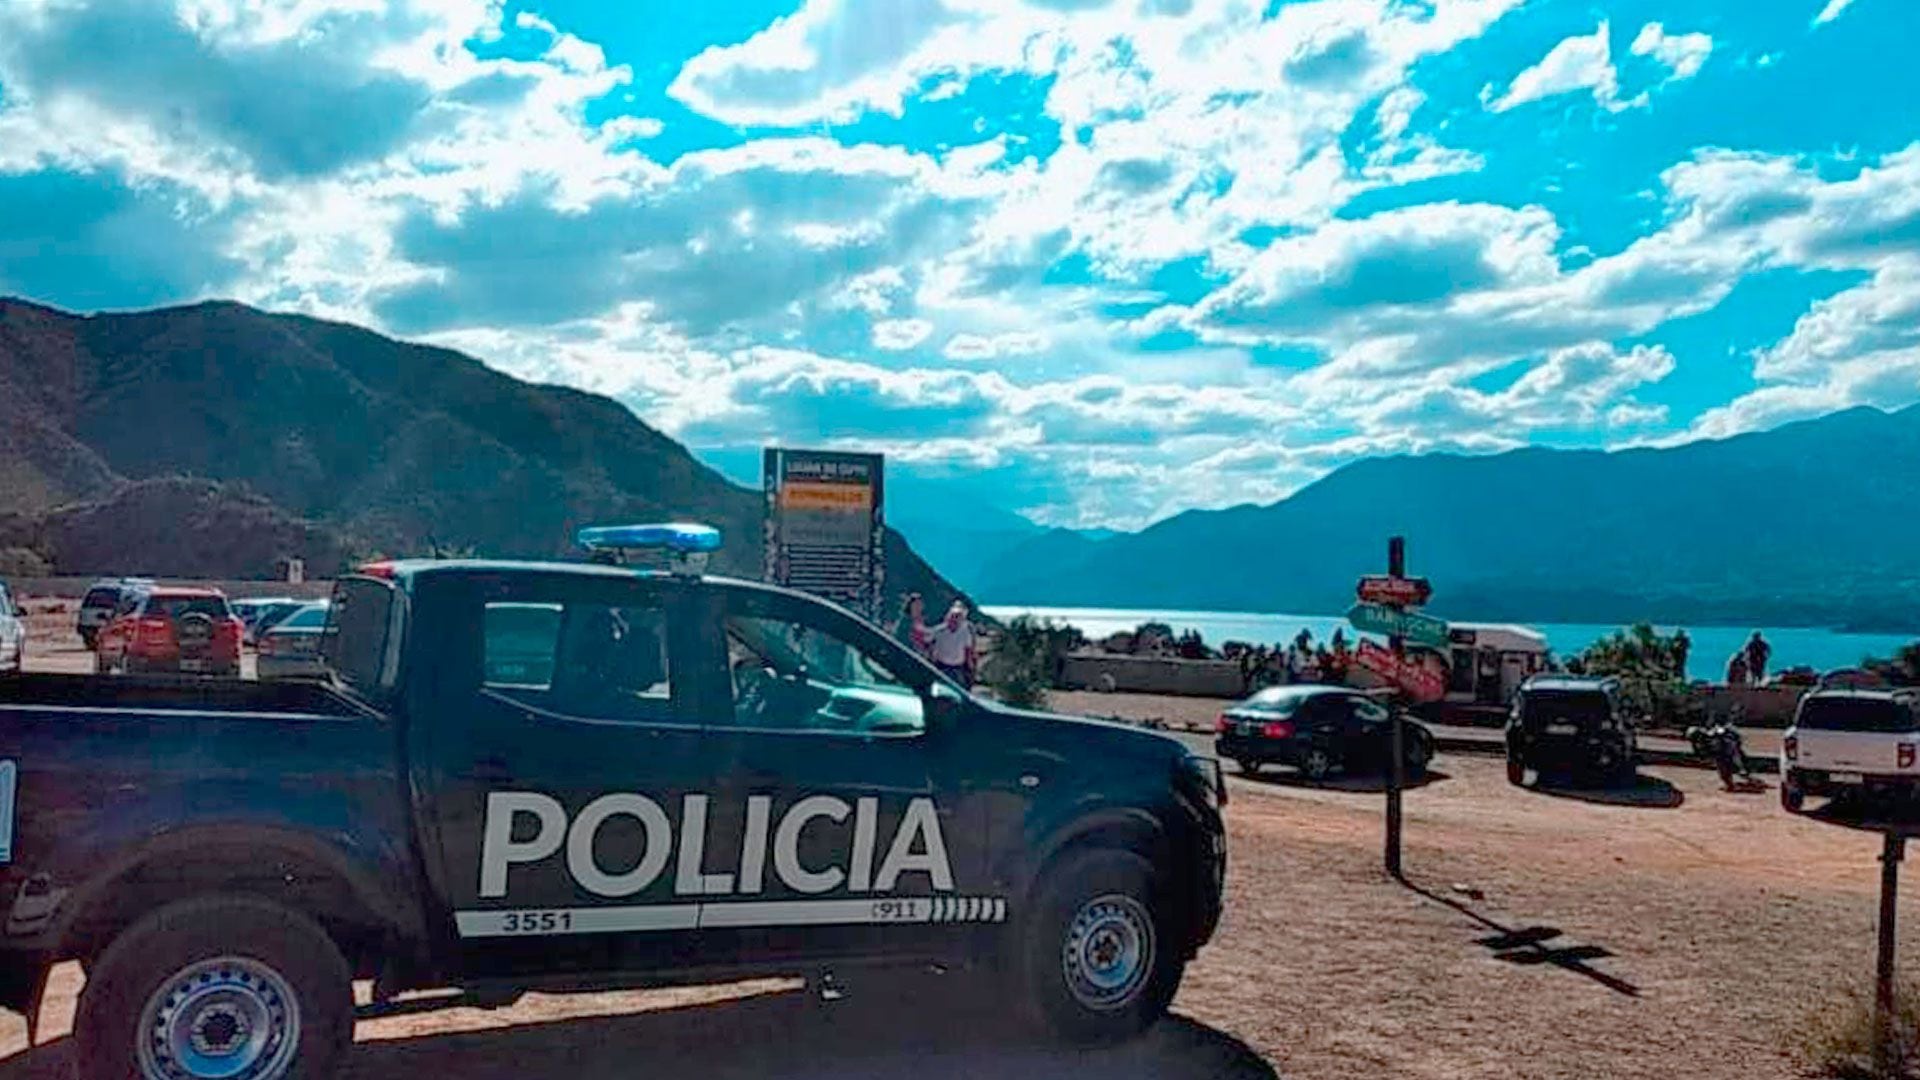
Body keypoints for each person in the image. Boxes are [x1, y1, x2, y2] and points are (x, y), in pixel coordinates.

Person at [926, 600, 977, 687]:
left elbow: (968, 650)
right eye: (953, 616)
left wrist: (970, 667)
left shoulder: (966, 633)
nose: (955, 619)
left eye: (958, 616)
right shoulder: (939, 630)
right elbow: (929, 644)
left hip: (957, 667)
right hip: (940, 665)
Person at [894, 593, 930, 658]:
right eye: (916, 605)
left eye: (919, 604)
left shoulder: (921, 620)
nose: (918, 607)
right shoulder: (906, 620)